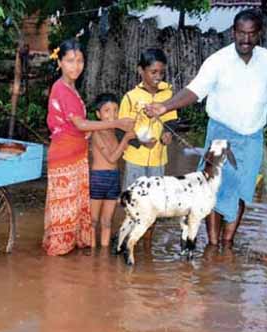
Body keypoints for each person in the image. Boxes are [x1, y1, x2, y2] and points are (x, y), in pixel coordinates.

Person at [145, 9, 267, 248]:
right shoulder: (218, 60)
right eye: (241, 33)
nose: (245, 39)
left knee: (243, 190)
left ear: (259, 34)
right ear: (233, 32)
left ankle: (227, 243)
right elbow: (194, 90)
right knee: (213, 189)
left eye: (251, 34)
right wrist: (164, 107)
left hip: (252, 137)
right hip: (221, 135)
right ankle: (212, 244)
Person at [43, 39, 134, 257]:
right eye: (70, 61)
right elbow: (81, 124)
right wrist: (115, 123)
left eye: (80, 61)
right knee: (63, 208)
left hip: (76, 156)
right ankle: (58, 259)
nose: (76, 66)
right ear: (60, 63)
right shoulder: (61, 89)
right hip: (64, 156)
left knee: (72, 208)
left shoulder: (71, 88)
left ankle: (75, 255)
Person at [119, 48, 178, 251]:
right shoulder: (130, 97)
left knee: (155, 203)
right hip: (135, 158)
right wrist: (140, 142)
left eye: (161, 72)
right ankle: (127, 242)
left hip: (158, 161)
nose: (157, 76)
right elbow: (121, 130)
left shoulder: (168, 94)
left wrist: (167, 135)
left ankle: (146, 244)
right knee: (133, 201)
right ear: (140, 71)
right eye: (153, 72)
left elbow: (171, 122)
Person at [89, 93, 134, 249]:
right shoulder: (96, 133)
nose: (112, 114)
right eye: (107, 110)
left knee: (107, 221)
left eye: (115, 110)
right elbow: (112, 158)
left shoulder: (116, 133)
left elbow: (121, 152)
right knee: (93, 221)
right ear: (98, 114)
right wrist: (126, 139)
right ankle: (92, 254)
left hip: (114, 178)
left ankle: (103, 258)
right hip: (98, 178)